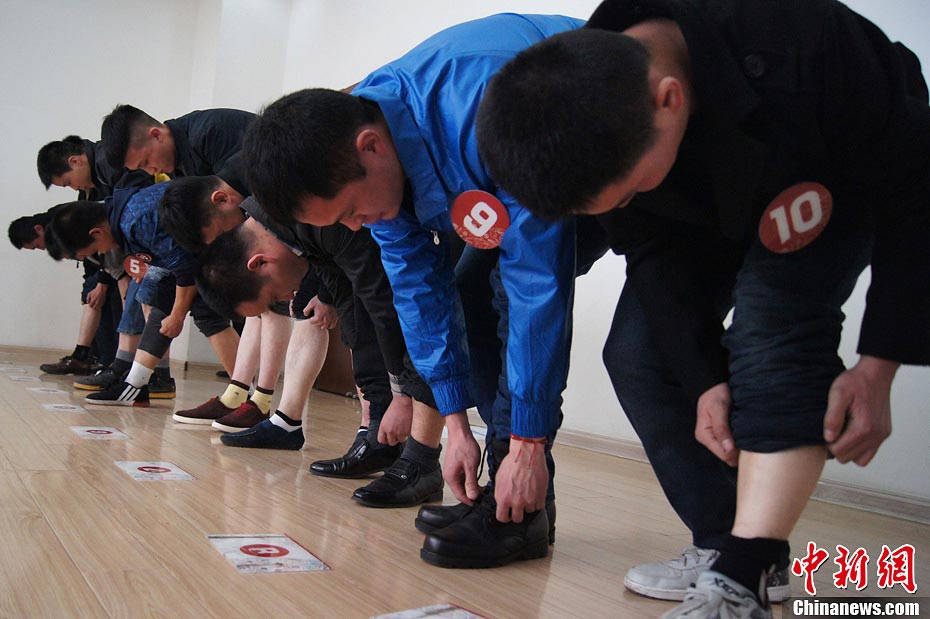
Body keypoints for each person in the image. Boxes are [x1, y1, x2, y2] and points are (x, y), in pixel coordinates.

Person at [474, 1, 929, 616]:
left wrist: (880, 364)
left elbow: (913, 202)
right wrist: (706, 380)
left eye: (630, 188)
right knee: (639, 355)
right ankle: (724, 543)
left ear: (668, 99)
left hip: (827, 162)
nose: (627, 200)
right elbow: (657, 258)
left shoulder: (809, 45)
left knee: (773, 327)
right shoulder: (596, 87)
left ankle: (746, 574)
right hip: (697, 205)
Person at [241, 13, 609, 568]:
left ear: (370, 148)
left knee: (506, 295)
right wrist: (454, 426)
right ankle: (519, 504)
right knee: (468, 295)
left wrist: (529, 446)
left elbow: (537, 279)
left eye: (348, 212)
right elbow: (418, 292)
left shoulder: (483, 107)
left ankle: (522, 504)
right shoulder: (367, 151)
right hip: (532, 162)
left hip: (600, 131)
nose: (356, 227)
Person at [198, 206, 444, 507]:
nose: (287, 298)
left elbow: (385, 304)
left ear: (259, 262)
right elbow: (354, 310)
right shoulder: (293, 226)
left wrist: (401, 395)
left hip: (443, 220)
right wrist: (381, 406)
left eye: (275, 296)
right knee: (356, 319)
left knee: (414, 321)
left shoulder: (317, 218)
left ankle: (423, 459)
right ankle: (379, 439)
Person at [47, 176, 240, 406]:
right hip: (198, 253)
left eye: (95, 250)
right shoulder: (125, 212)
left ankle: (244, 396)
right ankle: (135, 385)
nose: (101, 254)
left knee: (206, 315)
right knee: (159, 299)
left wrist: (178, 315)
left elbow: (186, 269)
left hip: (222, 244)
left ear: (97, 233)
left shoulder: (135, 223)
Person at [8, 209, 123, 376]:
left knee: (99, 300)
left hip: (115, 265)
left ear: (39, 229)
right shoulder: (60, 224)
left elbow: (99, 252)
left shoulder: (63, 224)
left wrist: (101, 284)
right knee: (91, 297)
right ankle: (92, 358)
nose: (42, 249)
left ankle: (104, 361)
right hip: (106, 268)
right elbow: (92, 258)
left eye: (37, 246)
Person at [100, 104, 254, 178]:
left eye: (145, 161)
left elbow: (238, 196)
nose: (151, 171)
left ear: (156, 135)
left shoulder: (210, 132)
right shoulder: (176, 166)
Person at [37, 135, 123, 201]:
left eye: (69, 182)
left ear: (75, 161)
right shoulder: (89, 188)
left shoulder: (110, 161)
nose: (75, 188)